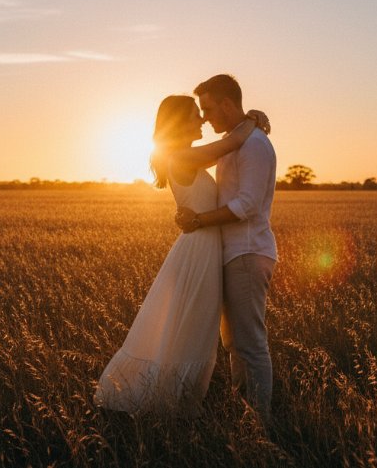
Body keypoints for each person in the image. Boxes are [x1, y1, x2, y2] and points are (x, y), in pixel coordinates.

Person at [94, 94, 269, 415]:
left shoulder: (184, 155)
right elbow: (232, 143)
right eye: (194, 115)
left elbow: (230, 146)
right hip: (199, 249)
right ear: (178, 122)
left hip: (203, 246)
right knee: (193, 326)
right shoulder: (182, 156)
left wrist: (250, 120)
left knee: (193, 325)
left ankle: (176, 400)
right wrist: (254, 119)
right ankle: (169, 403)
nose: (202, 120)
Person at [175, 74, 278, 419]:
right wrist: (252, 119)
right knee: (234, 343)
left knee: (250, 342)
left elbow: (247, 204)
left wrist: (199, 221)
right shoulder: (237, 142)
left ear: (227, 104)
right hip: (233, 253)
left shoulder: (254, 145)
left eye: (207, 108)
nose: (204, 117)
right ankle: (245, 411)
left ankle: (259, 423)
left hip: (248, 252)